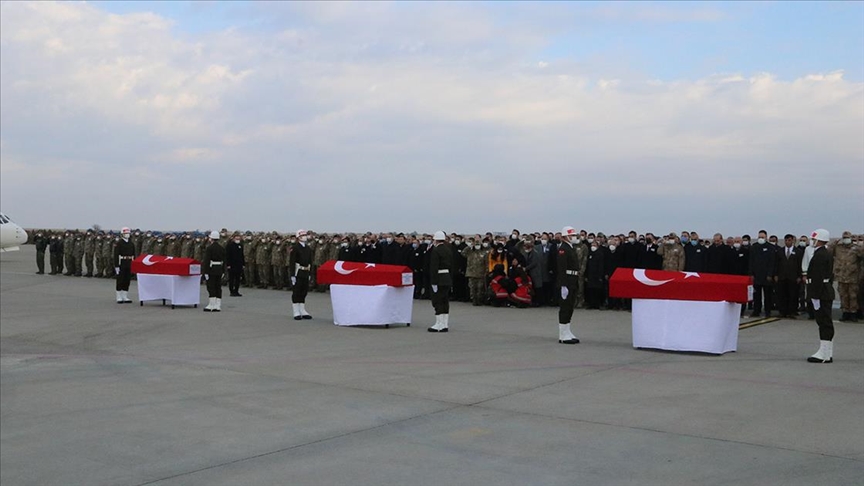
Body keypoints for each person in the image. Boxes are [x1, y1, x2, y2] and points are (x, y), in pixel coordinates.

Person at [806, 229, 835, 363]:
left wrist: (814, 295)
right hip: (825, 290)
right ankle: (827, 353)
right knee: (826, 322)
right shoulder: (826, 253)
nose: (813, 241)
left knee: (823, 322)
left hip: (821, 292)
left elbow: (816, 276)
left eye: (814, 239)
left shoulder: (820, 255)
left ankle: (823, 353)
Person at [829, 231, 863, 322]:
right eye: (844, 237)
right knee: (843, 295)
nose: (846, 239)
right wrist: (834, 243)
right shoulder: (838, 248)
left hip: (853, 276)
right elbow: (829, 251)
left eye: (847, 237)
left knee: (853, 296)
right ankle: (845, 312)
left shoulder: (856, 248)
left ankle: (853, 313)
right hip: (841, 276)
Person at [556, 226, 580, 344]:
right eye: (572, 235)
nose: (574, 237)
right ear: (565, 237)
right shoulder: (563, 249)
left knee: (570, 307)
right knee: (565, 307)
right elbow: (561, 268)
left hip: (573, 279)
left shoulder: (570, 248)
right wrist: (563, 285)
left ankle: (567, 331)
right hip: (567, 280)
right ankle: (562, 334)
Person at [427, 231, 453, 332]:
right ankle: (444, 324)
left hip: (439, 278)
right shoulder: (448, 249)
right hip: (447, 278)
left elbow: (434, 267)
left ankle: (439, 323)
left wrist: (433, 282)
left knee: (437, 301)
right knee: (445, 301)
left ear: (436, 239)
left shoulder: (436, 250)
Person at [775, 234, 803, 319]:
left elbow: (800, 265)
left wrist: (799, 276)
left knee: (793, 295)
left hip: (793, 277)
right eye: (786, 240)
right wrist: (775, 274)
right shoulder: (779, 251)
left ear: (793, 241)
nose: (788, 242)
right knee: (782, 295)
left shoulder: (798, 251)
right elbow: (776, 264)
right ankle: (782, 311)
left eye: (790, 240)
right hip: (782, 277)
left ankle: (792, 312)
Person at [750, 230, 776, 317]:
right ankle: (756, 310)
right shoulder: (754, 247)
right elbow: (751, 262)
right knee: (756, 295)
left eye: (762, 237)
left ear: (766, 238)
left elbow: (772, 262)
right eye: (759, 237)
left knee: (768, 295)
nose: (761, 239)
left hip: (766, 276)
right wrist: (751, 274)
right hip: (756, 276)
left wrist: (770, 274)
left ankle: (767, 311)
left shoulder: (770, 248)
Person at [289, 229, 313, 320]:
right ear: (298, 237)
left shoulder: (308, 248)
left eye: (305, 235)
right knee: (297, 291)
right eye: (303, 235)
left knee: (304, 291)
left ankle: (302, 310)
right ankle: (296, 311)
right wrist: (292, 275)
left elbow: (311, 261)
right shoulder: (295, 248)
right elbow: (292, 262)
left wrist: (310, 273)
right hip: (298, 271)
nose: (305, 237)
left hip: (306, 271)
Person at [202, 231, 225, 312]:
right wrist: (223, 271)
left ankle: (211, 304)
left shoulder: (209, 248)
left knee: (211, 286)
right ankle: (218, 305)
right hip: (219, 269)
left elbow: (206, 261)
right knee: (218, 287)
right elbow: (224, 260)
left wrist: (205, 272)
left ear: (211, 238)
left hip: (211, 269)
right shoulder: (221, 248)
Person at [113, 227, 135, 304]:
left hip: (129, 262)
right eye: (125, 233)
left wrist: (133, 264)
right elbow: (116, 255)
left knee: (127, 279)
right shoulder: (119, 243)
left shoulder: (131, 243)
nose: (127, 235)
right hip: (121, 262)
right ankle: (119, 296)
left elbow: (133, 255)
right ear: (122, 234)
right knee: (120, 279)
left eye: (128, 233)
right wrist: (116, 266)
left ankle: (125, 296)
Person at [226, 233, 245, 297]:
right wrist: (228, 264)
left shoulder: (240, 245)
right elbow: (227, 256)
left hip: (239, 265)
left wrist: (243, 264)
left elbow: (242, 255)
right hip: (232, 265)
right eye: (236, 238)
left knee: (237, 279)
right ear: (233, 238)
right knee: (231, 279)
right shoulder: (230, 245)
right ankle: (231, 291)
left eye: (238, 238)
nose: (237, 239)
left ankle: (236, 291)